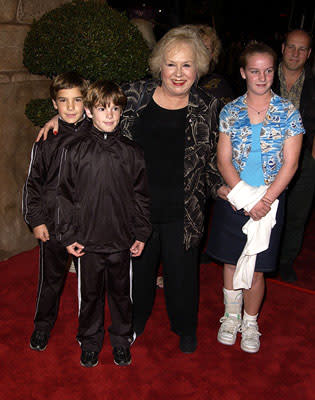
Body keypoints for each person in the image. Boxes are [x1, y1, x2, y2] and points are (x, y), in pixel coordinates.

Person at [38, 25, 224, 354]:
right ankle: (134, 322)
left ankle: (185, 327)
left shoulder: (208, 107)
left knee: (182, 276)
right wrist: (61, 121)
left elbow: (213, 158)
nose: (178, 73)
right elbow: (98, 109)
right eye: (171, 64)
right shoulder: (136, 94)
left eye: (187, 65)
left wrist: (221, 189)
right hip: (133, 207)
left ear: (199, 68)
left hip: (184, 209)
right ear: (159, 66)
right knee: (136, 275)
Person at [206, 42, 304, 353]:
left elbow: (292, 164)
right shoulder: (230, 110)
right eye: (254, 71)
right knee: (231, 263)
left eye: (267, 71)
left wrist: (265, 201)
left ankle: (250, 322)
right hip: (236, 198)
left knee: (258, 266)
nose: (261, 77)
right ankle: (230, 316)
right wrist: (244, 197)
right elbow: (223, 160)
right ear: (243, 73)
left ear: (273, 73)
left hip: (270, 201)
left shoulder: (288, 112)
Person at [56, 80, 151, 367]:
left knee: (122, 296)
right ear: (88, 111)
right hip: (87, 242)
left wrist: (141, 232)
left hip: (122, 241)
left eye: (115, 109)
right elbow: (64, 196)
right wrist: (68, 234)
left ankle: (122, 340)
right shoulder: (74, 150)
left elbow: (141, 196)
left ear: (122, 112)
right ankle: (89, 340)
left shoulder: (132, 151)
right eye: (102, 108)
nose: (109, 115)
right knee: (90, 297)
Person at [22, 72, 90, 352]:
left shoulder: (99, 133)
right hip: (52, 224)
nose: (71, 107)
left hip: (88, 225)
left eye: (77, 100)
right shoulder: (46, 139)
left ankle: (88, 333)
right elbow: (32, 183)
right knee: (51, 280)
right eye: (64, 101)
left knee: (90, 284)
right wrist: (36, 220)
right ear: (54, 104)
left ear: (86, 102)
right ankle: (42, 325)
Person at [272, 29, 315, 282]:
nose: (295, 53)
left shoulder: (313, 82)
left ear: (308, 54)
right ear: (283, 47)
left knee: (297, 212)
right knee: (265, 209)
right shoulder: (264, 73)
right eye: (291, 47)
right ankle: (262, 255)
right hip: (265, 153)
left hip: (303, 155)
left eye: (302, 49)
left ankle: (286, 260)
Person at [196, 25, 235, 105]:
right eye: (198, 48)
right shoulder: (179, 79)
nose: (202, 53)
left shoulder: (220, 86)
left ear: (213, 54)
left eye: (206, 49)